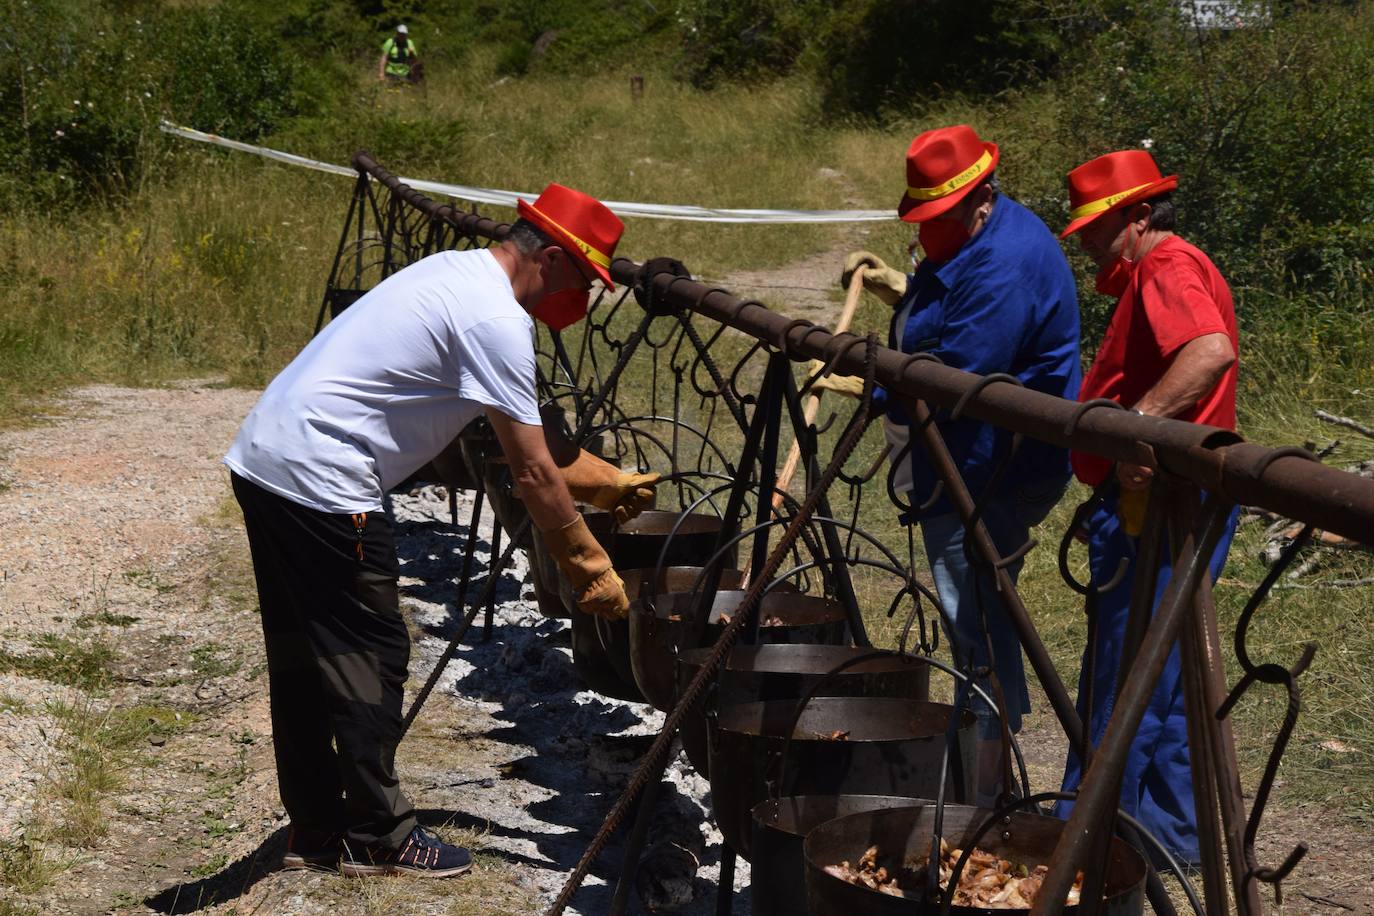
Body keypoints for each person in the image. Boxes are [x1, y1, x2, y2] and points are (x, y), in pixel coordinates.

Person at [225, 183, 658, 877]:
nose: (581, 298)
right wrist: (586, 563)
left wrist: (609, 482)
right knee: (373, 654)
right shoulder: (496, 321)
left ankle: (315, 832)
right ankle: (379, 836)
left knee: (304, 654)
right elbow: (534, 475)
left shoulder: (456, 275)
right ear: (549, 257)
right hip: (325, 481)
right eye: (583, 280)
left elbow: (530, 440)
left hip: (266, 458)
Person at [827, 124, 1081, 804]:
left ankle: (988, 786)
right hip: (959, 459)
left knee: (977, 617)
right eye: (920, 220)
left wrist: (872, 385)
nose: (927, 232)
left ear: (982, 199)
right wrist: (899, 289)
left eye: (937, 220)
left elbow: (960, 375)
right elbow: (944, 315)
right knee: (971, 613)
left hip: (995, 466)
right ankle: (980, 763)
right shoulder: (974, 238)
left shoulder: (1006, 263)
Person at [1053, 149, 1240, 868]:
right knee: (1165, 681)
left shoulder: (1165, 266)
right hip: (1171, 502)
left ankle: (1086, 854)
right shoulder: (1167, 267)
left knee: (1125, 684)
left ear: (1138, 216)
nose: (1091, 243)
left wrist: (1138, 425)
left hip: (1158, 506)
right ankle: (1169, 843)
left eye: (1098, 227)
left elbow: (1209, 352)